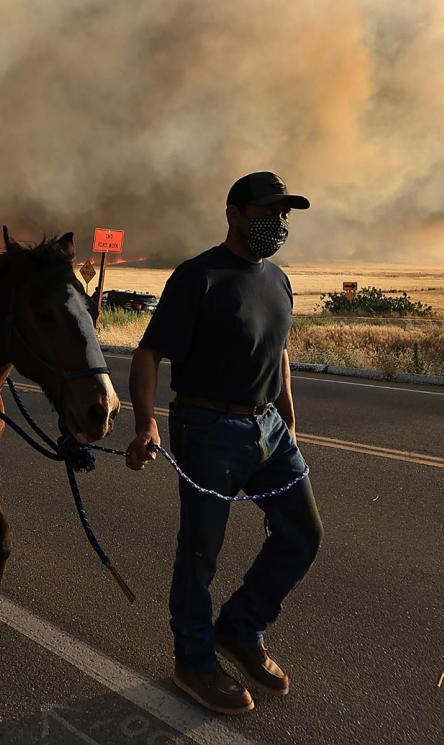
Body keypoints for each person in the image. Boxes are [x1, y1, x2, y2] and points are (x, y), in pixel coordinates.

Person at [125, 172, 323, 715]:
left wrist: (287, 414)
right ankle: (193, 661)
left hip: (269, 429)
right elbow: (148, 354)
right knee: (201, 551)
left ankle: (239, 628)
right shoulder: (199, 277)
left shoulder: (279, 280)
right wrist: (146, 424)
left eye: (285, 213)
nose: (278, 223)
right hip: (208, 429)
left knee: (302, 533)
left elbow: (278, 348)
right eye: (266, 212)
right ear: (233, 213)